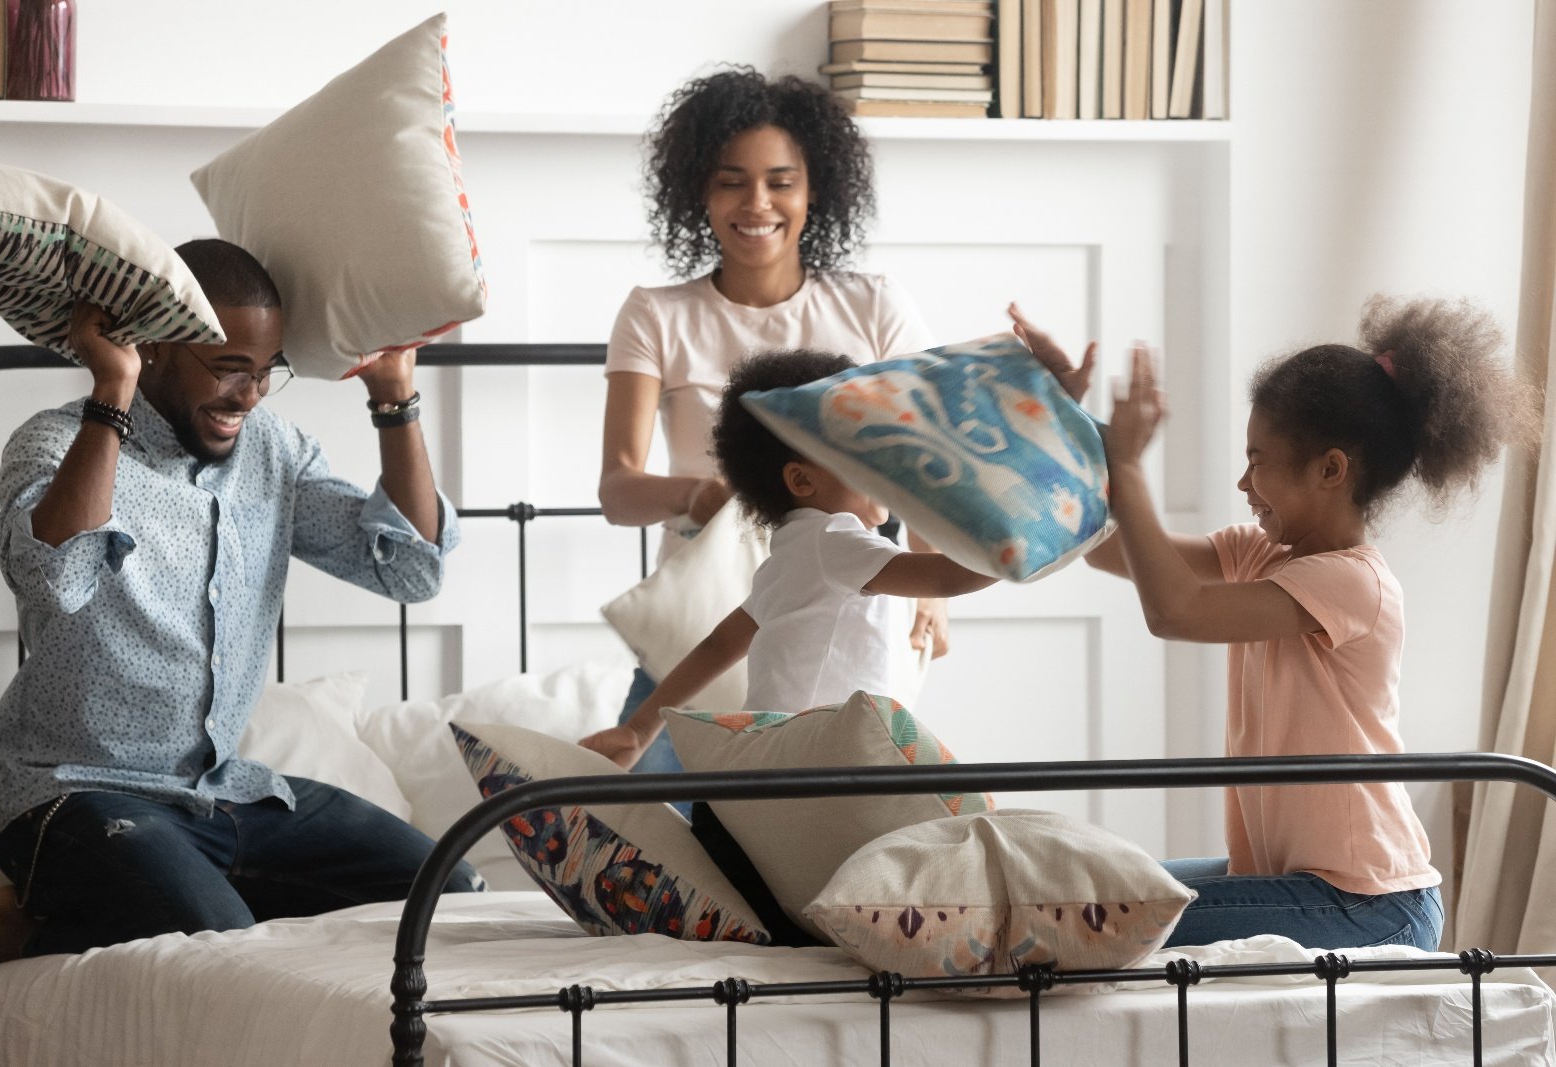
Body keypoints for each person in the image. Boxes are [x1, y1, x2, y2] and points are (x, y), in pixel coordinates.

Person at [0, 239, 477, 984]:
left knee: (452, 899)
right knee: (229, 961)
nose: (250, 395)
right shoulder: (55, 439)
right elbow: (56, 580)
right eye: (230, 368)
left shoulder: (274, 450)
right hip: (74, 791)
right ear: (155, 347)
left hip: (225, 792)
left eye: (266, 372)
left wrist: (395, 399)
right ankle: (23, 927)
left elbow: (410, 568)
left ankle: (100, 910)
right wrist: (113, 390)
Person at [1024, 294, 1532, 951]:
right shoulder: (1261, 554)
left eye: (1257, 460)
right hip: (1296, 881)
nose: (1242, 481)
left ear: (1330, 470)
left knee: (1102, 919)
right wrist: (1061, 419)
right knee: (1089, 896)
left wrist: (1125, 464)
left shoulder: (1355, 584)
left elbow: (1175, 609)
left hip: (1368, 903)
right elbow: (1108, 548)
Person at [598, 67, 943, 778]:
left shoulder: (874, 306)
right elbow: (617, 489)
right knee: (674, 841)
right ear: (699, 189)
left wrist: (932, 594)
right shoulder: (656, 314)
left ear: (816, 188)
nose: (757, 203)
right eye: (731, 181)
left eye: (781, 181)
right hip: (700, 610)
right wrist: (700, 496)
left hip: (848, 595)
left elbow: (923, 460)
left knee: (828, 821)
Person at [582, 349, 1003, 769]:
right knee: (964, 798)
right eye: (863, 454)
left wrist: (639, 729)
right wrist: (1028, 532)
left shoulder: (792, 552)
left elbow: (717, 645)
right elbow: (950, 578)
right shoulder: (836, 542)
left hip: (770, 771)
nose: (884, 467)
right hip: (812, 773)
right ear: (802, 479)